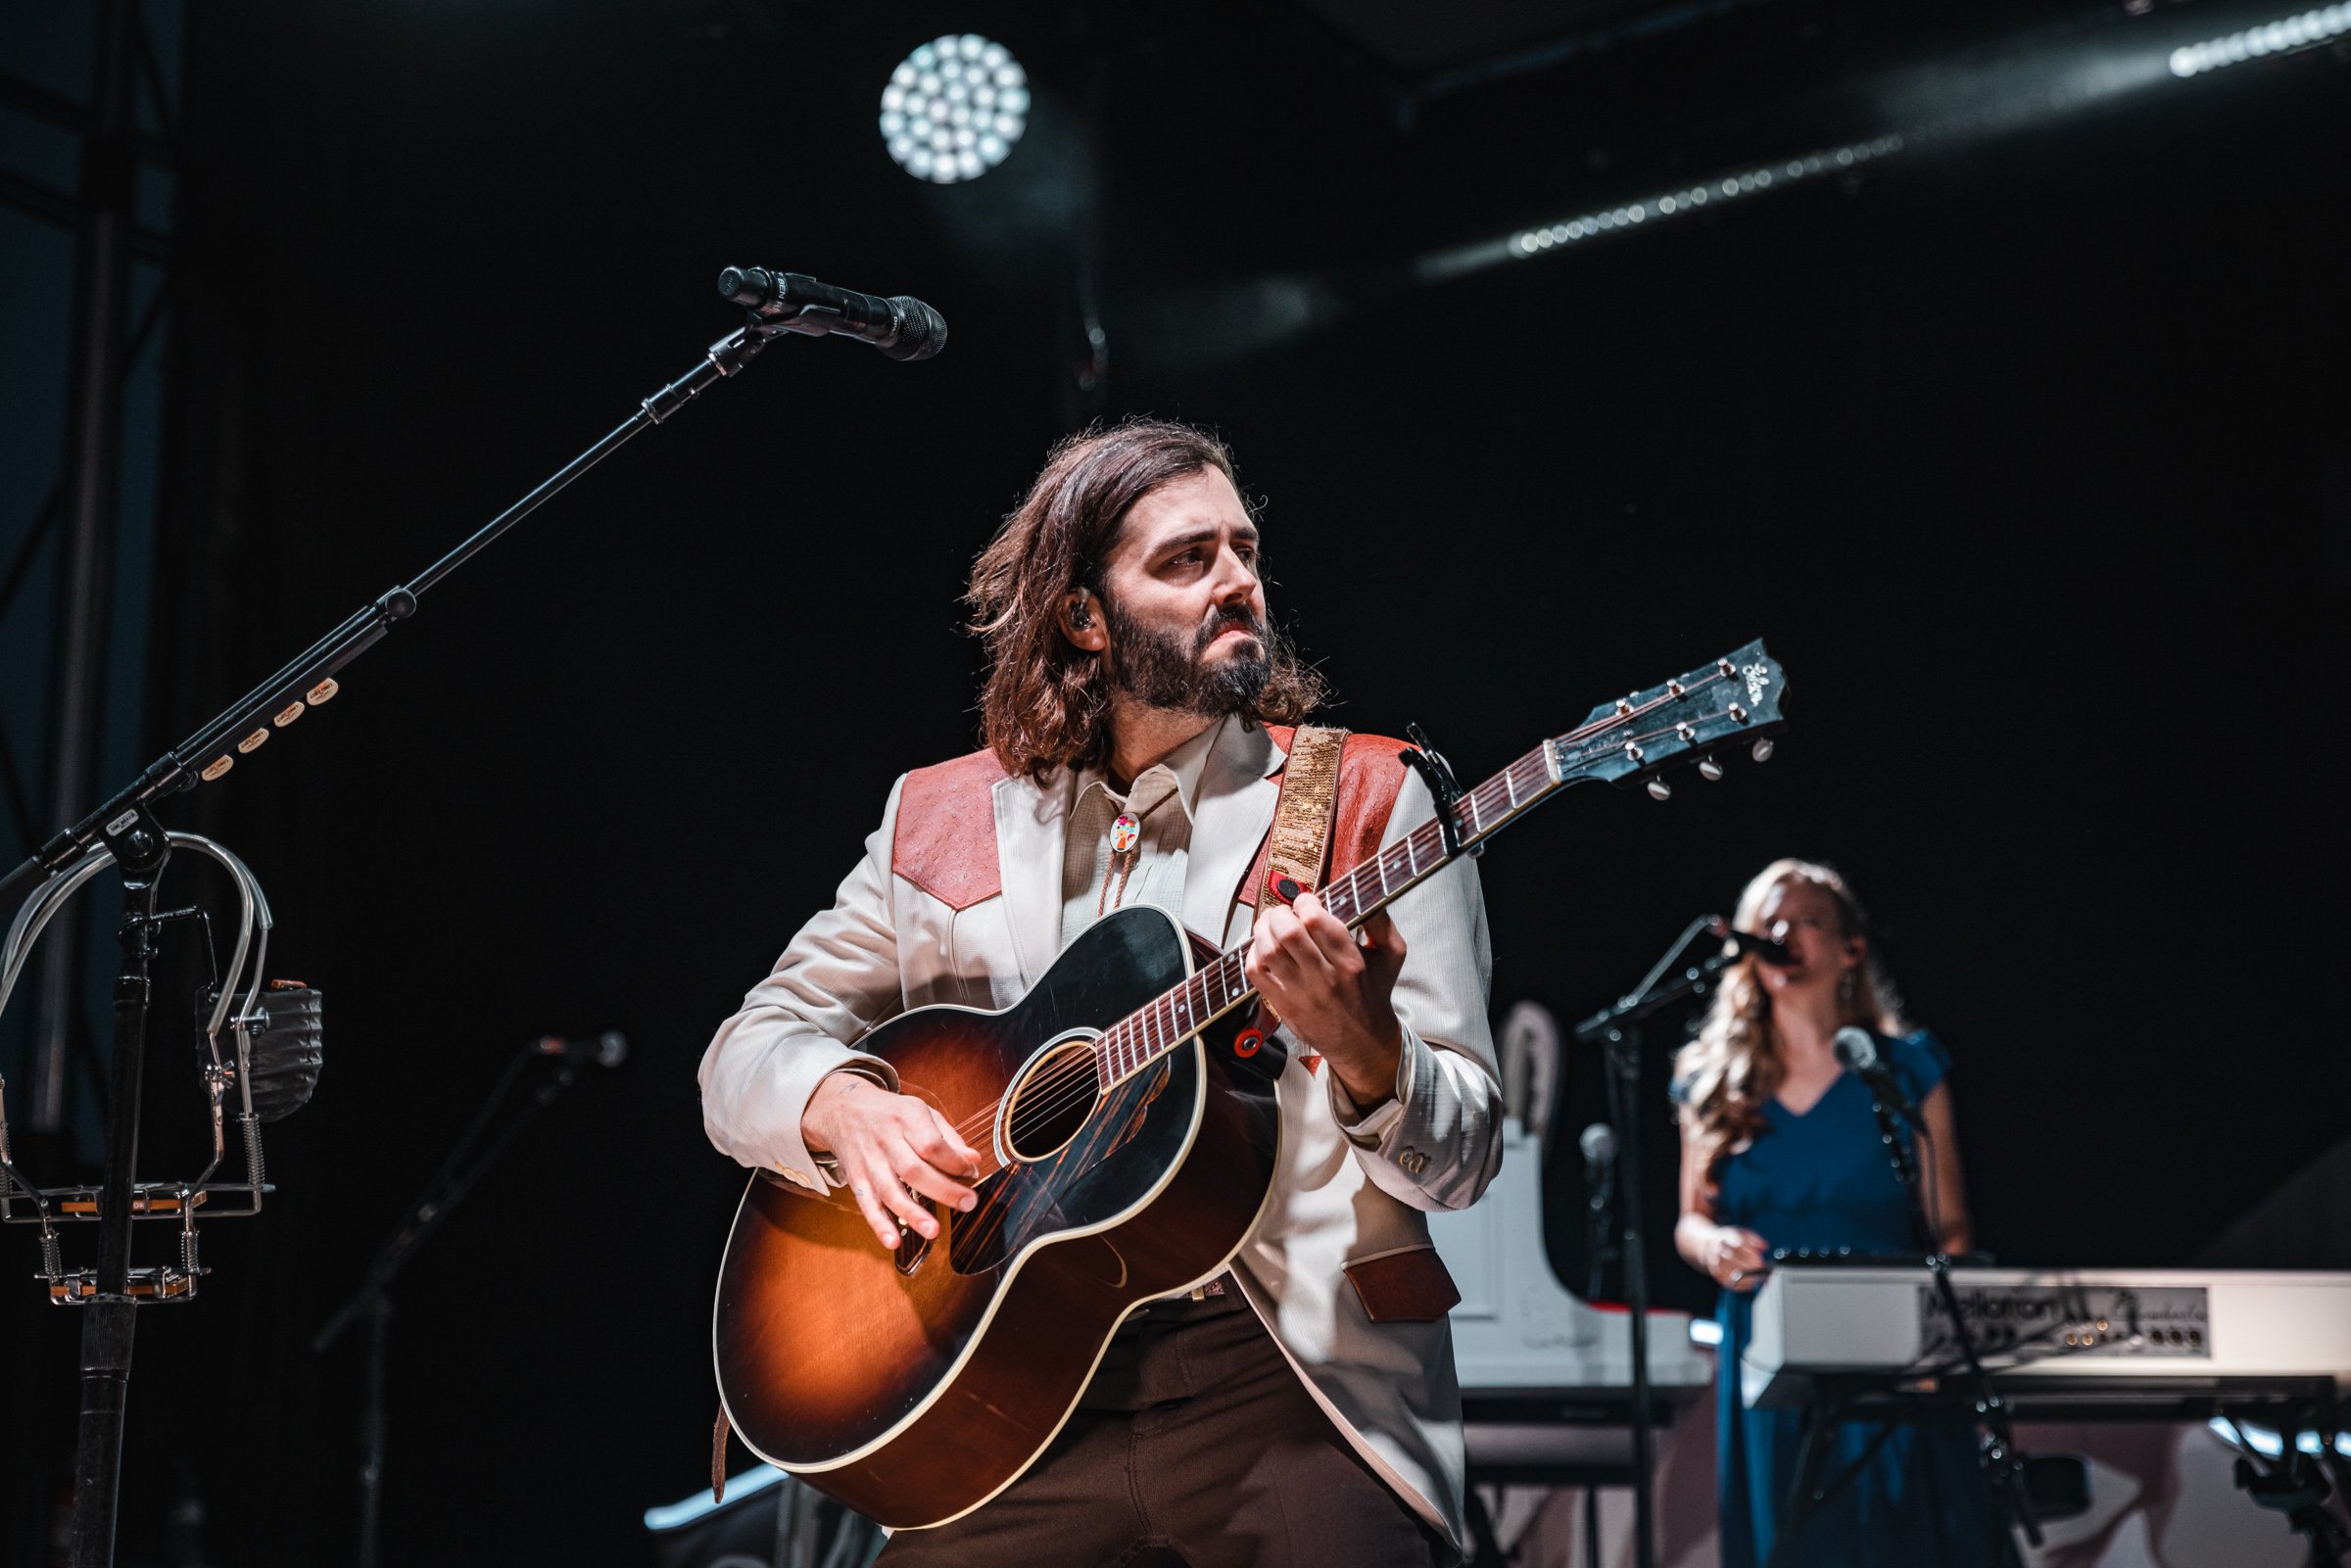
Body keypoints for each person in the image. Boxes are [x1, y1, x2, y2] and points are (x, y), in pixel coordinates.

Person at [698, 418, 1501, 1566]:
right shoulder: (937, 819)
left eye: (1245, 551)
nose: (1238, 582)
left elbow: (1464, 1157)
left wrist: (1373, 1054)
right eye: (1187, 559)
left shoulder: (1370, 801)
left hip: (1285, 1377)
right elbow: (744, 1052)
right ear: (1083, 615)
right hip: (999, 1385)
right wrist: (837, 1104)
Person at [1672, 859, 2007, 1568]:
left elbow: (1949, 1226)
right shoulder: (1711, 1079)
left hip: (1895, 1337)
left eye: (1803, 920)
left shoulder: (1908, 1068)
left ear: (1851, 947)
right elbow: (1689, 1220)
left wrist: (1934, 1350)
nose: (1781, 934)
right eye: (1767, 923)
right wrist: (1713, 1246)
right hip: (1769, 1343)